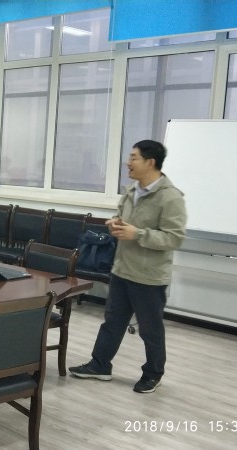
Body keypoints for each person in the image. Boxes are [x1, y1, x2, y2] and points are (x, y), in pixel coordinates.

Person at [69, 139, 187, 394]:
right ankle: (100, 365)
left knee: (150, 330)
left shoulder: (170, 197)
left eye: (133, 157)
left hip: (148, 276)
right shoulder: (132, 190)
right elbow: (123, 218)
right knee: (112, 322)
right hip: (122, 269)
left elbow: (175, 238)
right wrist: (115, 223)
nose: (128, 162)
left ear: (150, 162)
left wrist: (138, 234)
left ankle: (153, 374)